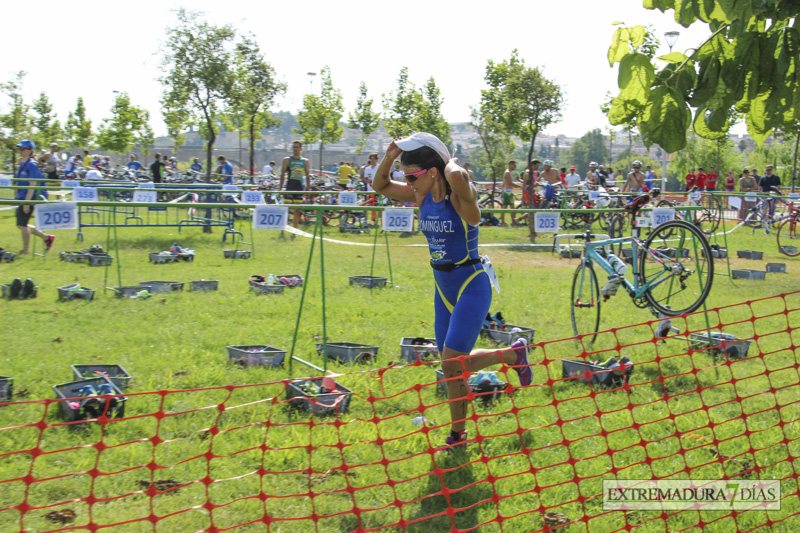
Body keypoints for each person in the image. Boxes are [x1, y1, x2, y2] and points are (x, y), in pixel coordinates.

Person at [369, 132, 531, 453]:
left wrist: (450, 160)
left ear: (432, 173)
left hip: (471, 283)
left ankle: (458, 437)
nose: (408, 181)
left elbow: (456, 177)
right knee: (450, 366)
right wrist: (390, 155)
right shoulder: (421, 196)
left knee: (450, 364)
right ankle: (513, 355)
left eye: (412, 175)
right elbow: (380, 185)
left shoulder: (460, 199)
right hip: (442, 288)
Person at [14, 140, 54, 254]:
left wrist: (27, 202)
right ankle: (47, 238)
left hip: (29, 197)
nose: (20, 151)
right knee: (21, 224)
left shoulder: (31, 164)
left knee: (22, 224)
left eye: (23, 149)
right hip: (23, 197)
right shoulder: (23, 164)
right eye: (19, 149)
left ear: (30, 150)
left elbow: (33, 184)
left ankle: (25, 250)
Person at [280, 140, 311, 231]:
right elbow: (282, 175)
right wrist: (280, 188)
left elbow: (308, 176)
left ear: (301, 149)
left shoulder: (305, 161)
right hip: (289, 187)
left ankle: (294, 232)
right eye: (294, 147)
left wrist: (308, 189)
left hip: (299, 188)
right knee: (286, 209)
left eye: (297, 147)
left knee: (297, 211)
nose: (295, 149)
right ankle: (283, 231)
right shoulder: (287, 160)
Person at [500, 160, 520, 226]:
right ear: (510, 165)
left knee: (504, 208)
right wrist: (519, 186)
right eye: (514, 165)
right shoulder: (508, 173)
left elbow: (504, 183)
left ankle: (503, 222)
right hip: (508, 192)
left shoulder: (506, 172)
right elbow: (510, 183)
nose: (515, 167)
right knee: (512, 208)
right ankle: (513, 222)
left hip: (505, 191)